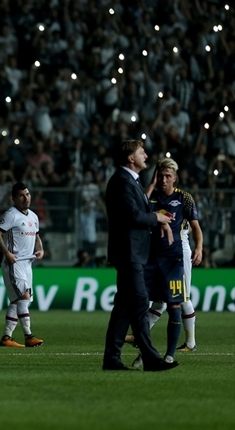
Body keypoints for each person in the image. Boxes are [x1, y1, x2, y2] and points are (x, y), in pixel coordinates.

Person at [102, 139, 178, 372]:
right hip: (129, 252)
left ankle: (112, 359)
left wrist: (159, 218)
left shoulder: (131, 181)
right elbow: (133, 216)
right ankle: (151, 358)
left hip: (134, 252)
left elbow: (141, 211)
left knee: (124, 306)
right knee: (139, 304)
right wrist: (158, 218)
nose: (146, 154)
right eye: (141, 151)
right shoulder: (122, 182)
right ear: (130, 158)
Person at [130, 158, 203, 366]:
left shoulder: (185, 198)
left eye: (167, 176)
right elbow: (138, 204)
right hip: (153, 258)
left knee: (178, 299)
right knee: (156, 302)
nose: (163, 179)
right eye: (160, 176)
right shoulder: (151, 196)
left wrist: (199, 248)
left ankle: (188, 342)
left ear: (175, 178)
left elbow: (196, 227)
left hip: (177, 255)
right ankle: (146, 345)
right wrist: (151, 184)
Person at [0, 183, 45, 348]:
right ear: (14, 198)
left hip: (28, 264)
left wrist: (40, 249)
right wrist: (7, 253)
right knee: (23, 298)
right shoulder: (11, 215)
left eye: (27, 194)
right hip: (14, 263)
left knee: (17, 301)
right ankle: (29, 336)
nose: (26, 198)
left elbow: (36, 236)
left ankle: (6, 338)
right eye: (21, 195)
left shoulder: (33, 217)